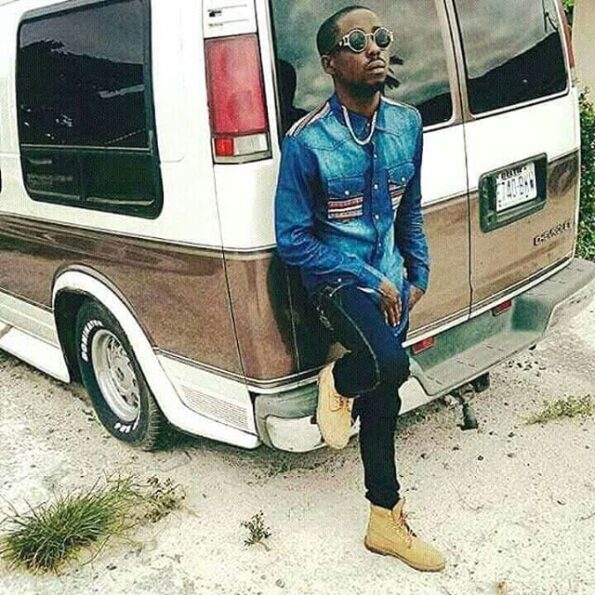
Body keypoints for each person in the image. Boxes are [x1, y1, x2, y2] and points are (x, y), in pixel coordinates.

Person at [274, 6, 446, 572]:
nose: (373, 48)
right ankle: (337, 379)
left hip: (394, 279)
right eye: (355, 41)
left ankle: (383, 519)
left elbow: (409, 209)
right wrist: (372, 278)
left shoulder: (408, 124)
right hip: (336, 283)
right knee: (388, 365)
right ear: (329, 63)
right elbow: (293, 240)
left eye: (380, 37)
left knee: (384, 398)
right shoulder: (308, 142)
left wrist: (417, 275)